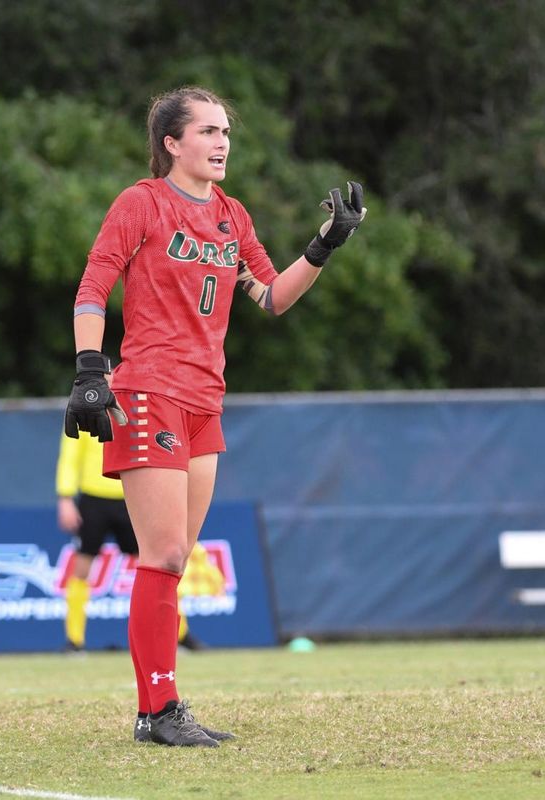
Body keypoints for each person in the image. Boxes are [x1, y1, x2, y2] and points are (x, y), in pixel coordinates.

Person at [64, 86, 367, 748]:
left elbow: (272, 297)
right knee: (165, 550)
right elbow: (93, 286)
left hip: (206, 401)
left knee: (172, 561)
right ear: (172, 144)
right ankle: (160, 709)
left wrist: (323, 245)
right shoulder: (141, 202)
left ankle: (159, 712)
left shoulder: (231, 215)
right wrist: (91, 369)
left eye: (225, 131)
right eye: (207, 131)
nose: (222, 141)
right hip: (149, 391)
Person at [55, 430, 207, 652]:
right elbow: (70, 455)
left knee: (159, 566)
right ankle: (74, 641)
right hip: (93, 499)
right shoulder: (86, 400)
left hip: (133, 494)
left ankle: (179, 633)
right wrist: (65, 497)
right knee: (81, 568)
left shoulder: (135, 400)